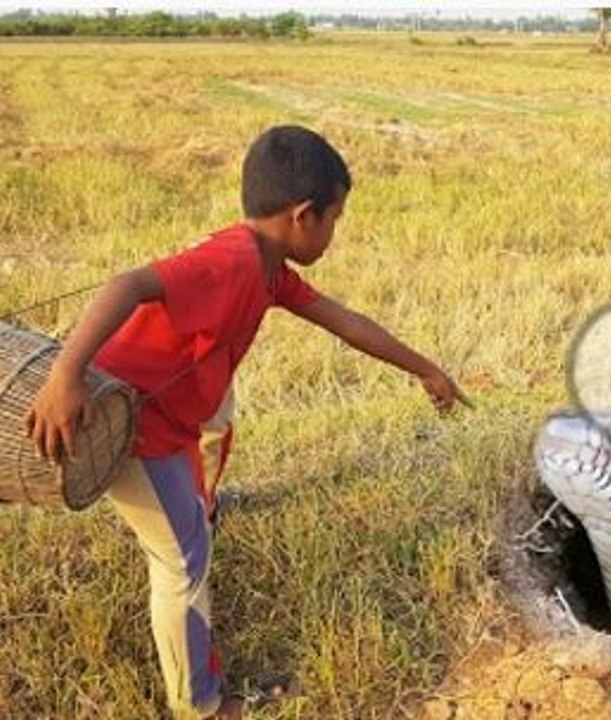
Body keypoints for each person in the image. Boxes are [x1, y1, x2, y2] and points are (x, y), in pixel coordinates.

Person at [25, 125, 468, 720]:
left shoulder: (268, 267)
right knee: (183, 564)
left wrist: (426, 369)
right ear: (304, 216)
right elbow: (126, 285)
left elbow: (345, 321)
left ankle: (201, 526)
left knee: (211, 451)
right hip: (131, 426)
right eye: (336, 218)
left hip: (172, 417)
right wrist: (65, 377)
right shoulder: (231, 261)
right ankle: (201, 706)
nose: (336, 231)